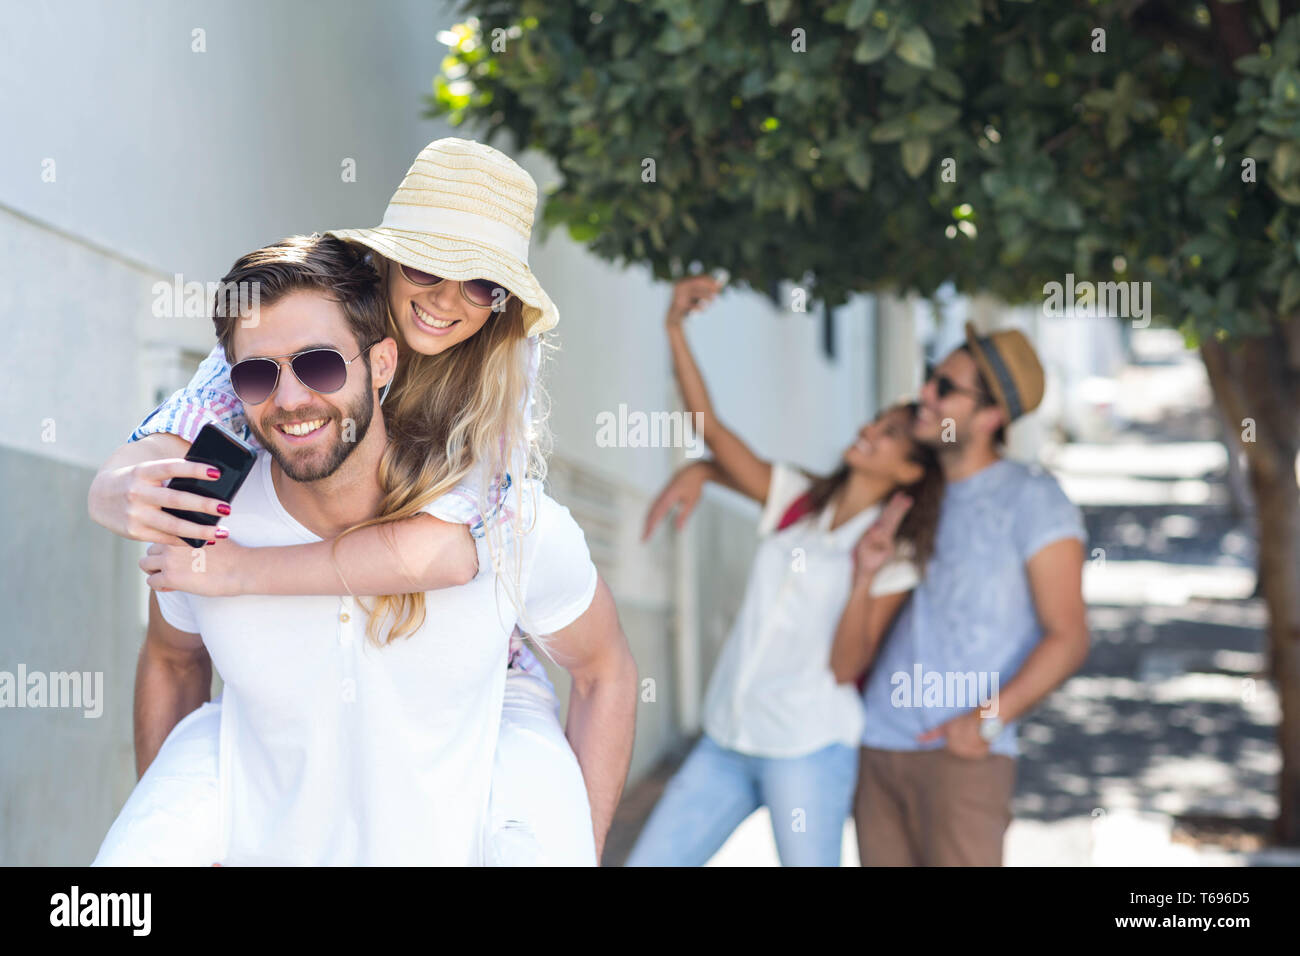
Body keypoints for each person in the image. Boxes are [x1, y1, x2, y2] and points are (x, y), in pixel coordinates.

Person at [86, 138, 637, 863]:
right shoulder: (293, 332)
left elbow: (438, 553)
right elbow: (170, 437)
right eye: (428, 266)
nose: (446, 299)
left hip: (491, 677)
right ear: (384, 263)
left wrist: (239, 574)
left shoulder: (495, 388)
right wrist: (114, 491)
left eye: (480, 284)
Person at [623, 277, 944, 866]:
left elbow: (847, 665)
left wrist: (864, 575)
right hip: (727, 733)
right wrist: (674, 326)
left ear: (910, 474)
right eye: (877, 421)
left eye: (890, 435)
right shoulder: (798, 500)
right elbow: (712, 432)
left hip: (806, 748)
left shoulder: (893, 556)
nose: (868, 431)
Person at [853, 323, 1089, 866]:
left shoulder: (1034, 500)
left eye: (945, 388)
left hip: (962, 760)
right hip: (880, 746)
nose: (925, 396)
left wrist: (986, 720)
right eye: (930, 379)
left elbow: (1070, 636)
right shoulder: (912, 488)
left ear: (990, 417)